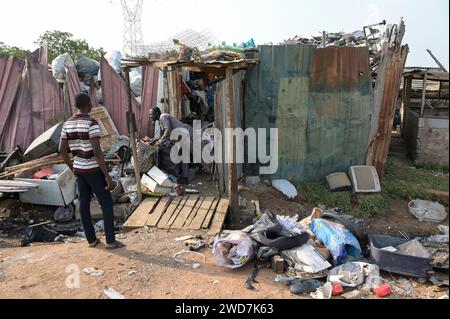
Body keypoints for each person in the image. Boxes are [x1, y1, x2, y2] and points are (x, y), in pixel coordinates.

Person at [59, 93, 125, 250]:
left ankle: (92, 240)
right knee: (106, 203)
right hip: (93, 170)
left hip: (79, 170)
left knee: (83, 203)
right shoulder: (91, 123)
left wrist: (72, 167)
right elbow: (97, 152)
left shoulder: (67, 123)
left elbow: (61, 150)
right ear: (88, 105)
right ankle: (110, 241)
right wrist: (107, 176)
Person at [151, 107, 193, 184]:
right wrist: (156, 140)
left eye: (151, 114)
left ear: (156, 113)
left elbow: (168, 130)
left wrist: (160, 141)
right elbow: (162, 134)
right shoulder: (160, 121)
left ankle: (185, 176)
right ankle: (184, 176)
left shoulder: (163, 117)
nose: (150, 116)